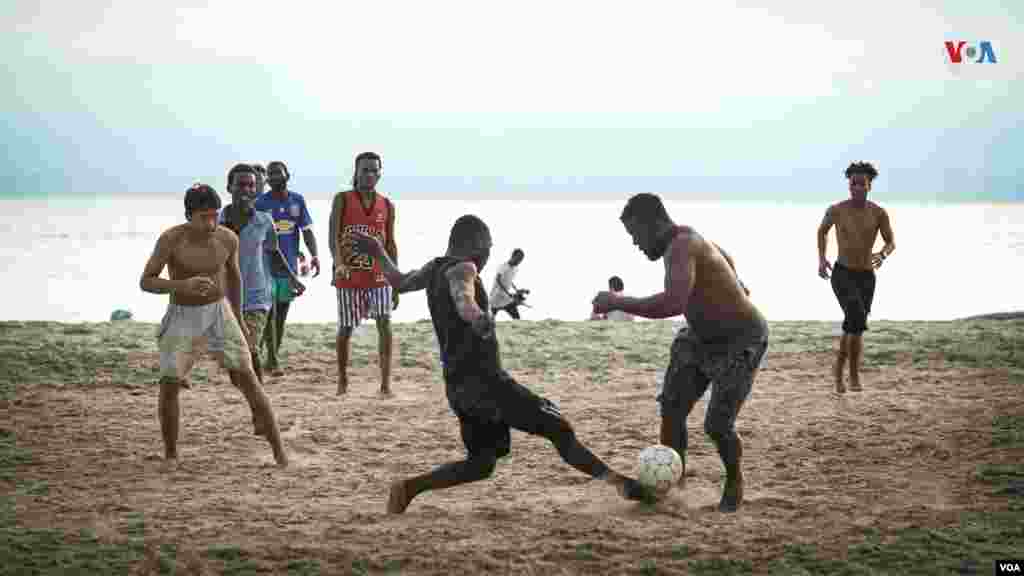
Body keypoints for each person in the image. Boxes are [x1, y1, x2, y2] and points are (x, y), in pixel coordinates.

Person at [347, 216, 655, 514]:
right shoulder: (465, 267)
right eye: (488, 247)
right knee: (560, 429)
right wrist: (477, 318)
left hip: (459, 388)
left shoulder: (434, 268)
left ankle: (408, 488)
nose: (487, 255)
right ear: (476, 244)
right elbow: (463, 298)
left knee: (481, 464)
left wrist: (377, 250)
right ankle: (624, 486)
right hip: (488, 385)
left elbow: (400, 281)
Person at [591, 193, 767, 512]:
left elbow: (673, 303)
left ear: (653, 224)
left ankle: (734, 479)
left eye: (636, 234)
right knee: (672, 411)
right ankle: (673, 486)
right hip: (699, 338)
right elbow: (734, 277)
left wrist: (616, 302)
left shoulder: (682, 246)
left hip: (741, 340)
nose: (636, 244)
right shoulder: (694, 244)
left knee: (717, 425)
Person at [139, 183, 287, 466]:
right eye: (203, 217)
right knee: (169, 384)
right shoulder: (171, 239)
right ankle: (171, 454)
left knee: (248, 378)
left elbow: (235, 278)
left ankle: (280, 453)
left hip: (220, 312)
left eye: (214, 216)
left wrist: (239, 319)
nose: (210, 223)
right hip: (183, 314)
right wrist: (182, 285)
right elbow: (146, 281)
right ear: (188, 215)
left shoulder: (227, 238)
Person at [220, 163, 305, 384]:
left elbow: (273, 252)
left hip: (256, 296)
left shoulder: (264, 221)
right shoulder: (217, 221)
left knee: (250, 348)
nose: (246, 189)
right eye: (241, 185)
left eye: (251, 185)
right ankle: (253, 392)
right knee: (236, 356)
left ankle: (259, 397)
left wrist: (293, 278)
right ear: (229, 187)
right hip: (226, 297)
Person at [817, 161, 895, 393]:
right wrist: (822, 259)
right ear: (848, 185)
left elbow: (891, 242)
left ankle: (842, 374)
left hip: (866, 277)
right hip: (842, 274)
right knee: (856, 318)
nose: (857, 187)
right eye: (853, 183)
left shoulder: (878, 213)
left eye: (862, 183)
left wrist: (882, 254)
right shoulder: (836, 210)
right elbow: (822, 231)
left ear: (870, 185)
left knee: (854, 326)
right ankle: (850, 375)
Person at [329, 152, 397, 396]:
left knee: (384, 322)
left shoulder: (387, 205)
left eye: (374, 170)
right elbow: (333, 237)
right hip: (349, 275)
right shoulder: (342, 199)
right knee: (346, 327)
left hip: (380, 275)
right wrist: (338, 264)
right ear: (356, 172)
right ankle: (343, 379)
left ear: (379, 174)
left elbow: (390, 243)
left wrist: (396, 281)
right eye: (365, 170)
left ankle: (385, 383)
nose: (369, 174)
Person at [255, 161, 320, 376]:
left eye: (278, 173)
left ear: (287, 176)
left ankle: (270, 355)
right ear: (267, 179)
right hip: (265, 266)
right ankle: (269, 359)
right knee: (269, 313)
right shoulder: (261, 203)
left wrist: (314, 255)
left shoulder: (297, 200)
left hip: (289, 268)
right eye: (270, 174)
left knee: (281, 315)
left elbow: (307, 231)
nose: (274, 177)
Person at [489, 249, 528, 319]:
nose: (519, 262)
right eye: (518, 259)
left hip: (506, 298)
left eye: (521, 260)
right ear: (513, 256)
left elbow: (510, 280)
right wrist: (508, 293)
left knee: (517, 318)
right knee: (490, 319)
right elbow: (498, 279)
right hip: (495, 297)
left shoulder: (515, 269)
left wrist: (517, 290)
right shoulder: (503, 266)